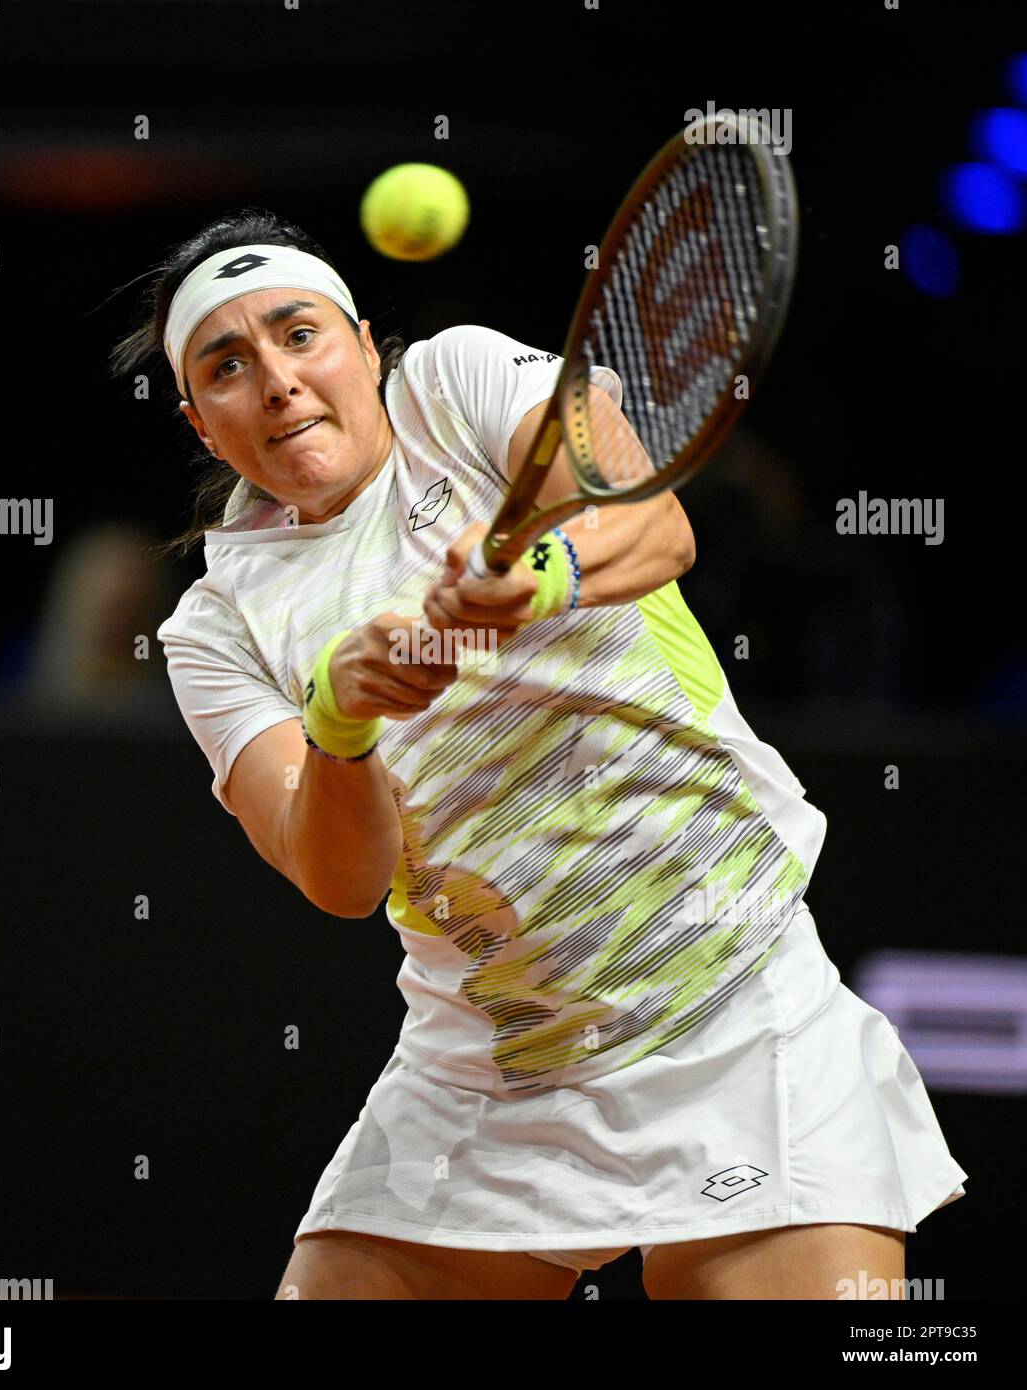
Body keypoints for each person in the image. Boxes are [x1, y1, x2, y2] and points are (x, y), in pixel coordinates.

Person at [110, 207, 967, 1300]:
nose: (275, 378)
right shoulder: (217, 627)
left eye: (300, 333)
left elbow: (656, 529)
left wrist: (542, 570)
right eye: (227, 364)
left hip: (734, 1007)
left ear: (367, 345)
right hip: (489, 1063)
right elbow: (341, 878)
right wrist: (339, 718)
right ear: (198, 419)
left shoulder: (461, 379)